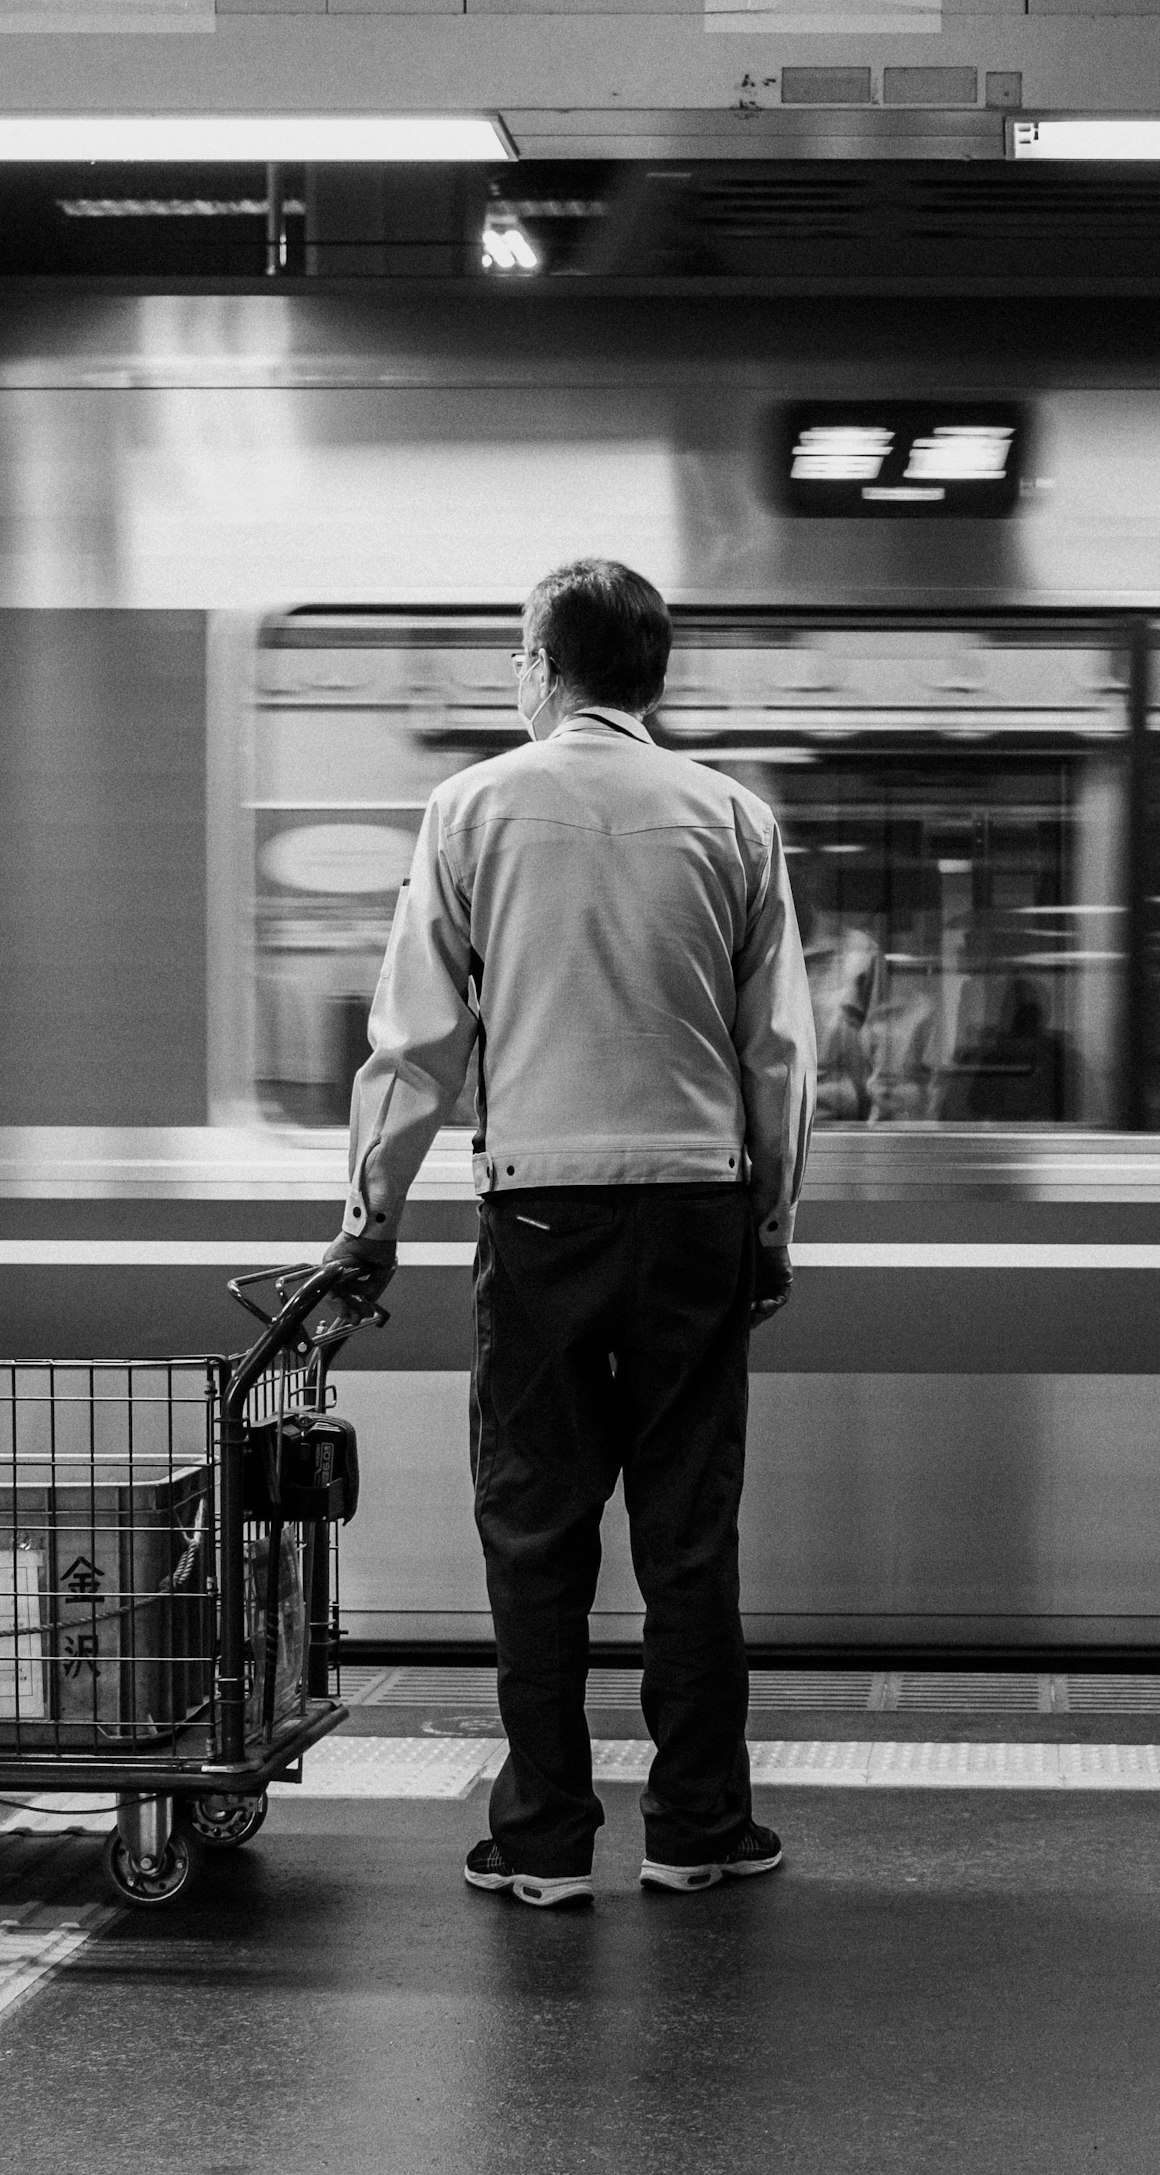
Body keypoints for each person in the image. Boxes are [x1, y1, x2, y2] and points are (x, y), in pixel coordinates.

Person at [318, 560, 815, 1909]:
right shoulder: (732, 818)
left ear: (544, 664)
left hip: (539, 1212)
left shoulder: (469, 809)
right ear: (649, 678)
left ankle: (541, 1841)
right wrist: (769, 1222)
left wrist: (371, 1221)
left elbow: (415, 1043)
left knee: (537, 1529)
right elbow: (777, 1053)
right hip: (699, 1204)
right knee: (688, 1533)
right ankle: (697, 1827)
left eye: (518, 656)